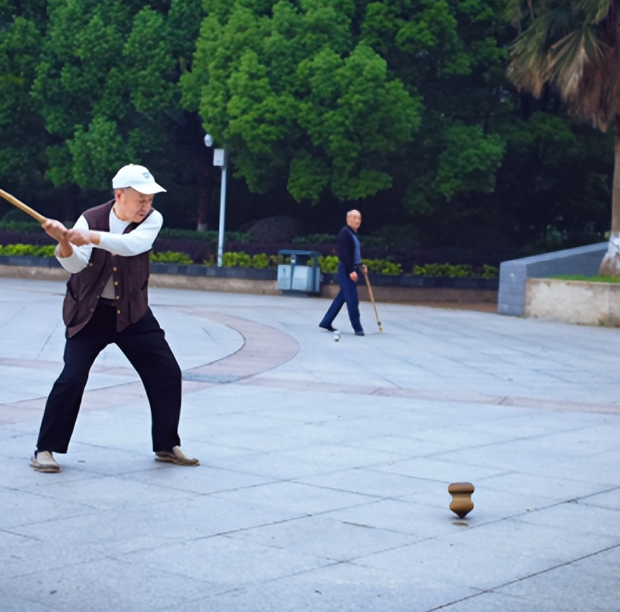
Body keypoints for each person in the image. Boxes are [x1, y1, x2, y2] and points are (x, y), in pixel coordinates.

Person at [30, 164, 199, 473]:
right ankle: (45, 449)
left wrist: (90, 237)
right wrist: (64, 241)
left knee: (167, 372)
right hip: (89, 313)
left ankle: (166, 444)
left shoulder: (151, 219)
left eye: (150, 199)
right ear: (119, 195)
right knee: (72, 377)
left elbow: (134, 246)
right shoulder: (89, 218)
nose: (147, 206)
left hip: (132, 313)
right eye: (141, 199)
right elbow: (75, 267)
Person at [319, 209, 366, 336]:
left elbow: (354, 253)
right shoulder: (344, 234)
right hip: (346, 268)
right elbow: (344, 254)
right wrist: (351, 270)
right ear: (348, 219)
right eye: (354, 218)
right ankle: (357, 327)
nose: (357, 221)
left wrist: (360, 265)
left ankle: (326, 321)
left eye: (359, 218)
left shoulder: (352, 234)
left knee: (343, 297)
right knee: (352, 298)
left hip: (352, 267)